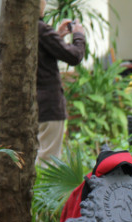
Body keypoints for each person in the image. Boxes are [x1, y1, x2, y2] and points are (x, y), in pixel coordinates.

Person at [37, 0, 85, 165]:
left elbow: (41, 57)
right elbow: (74, 56)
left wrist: (57, 36)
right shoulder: (40, 29)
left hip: (33, 105)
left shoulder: (22, 29)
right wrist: (78, 35)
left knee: (38, 156)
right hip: (49, 106)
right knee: (48, 161)